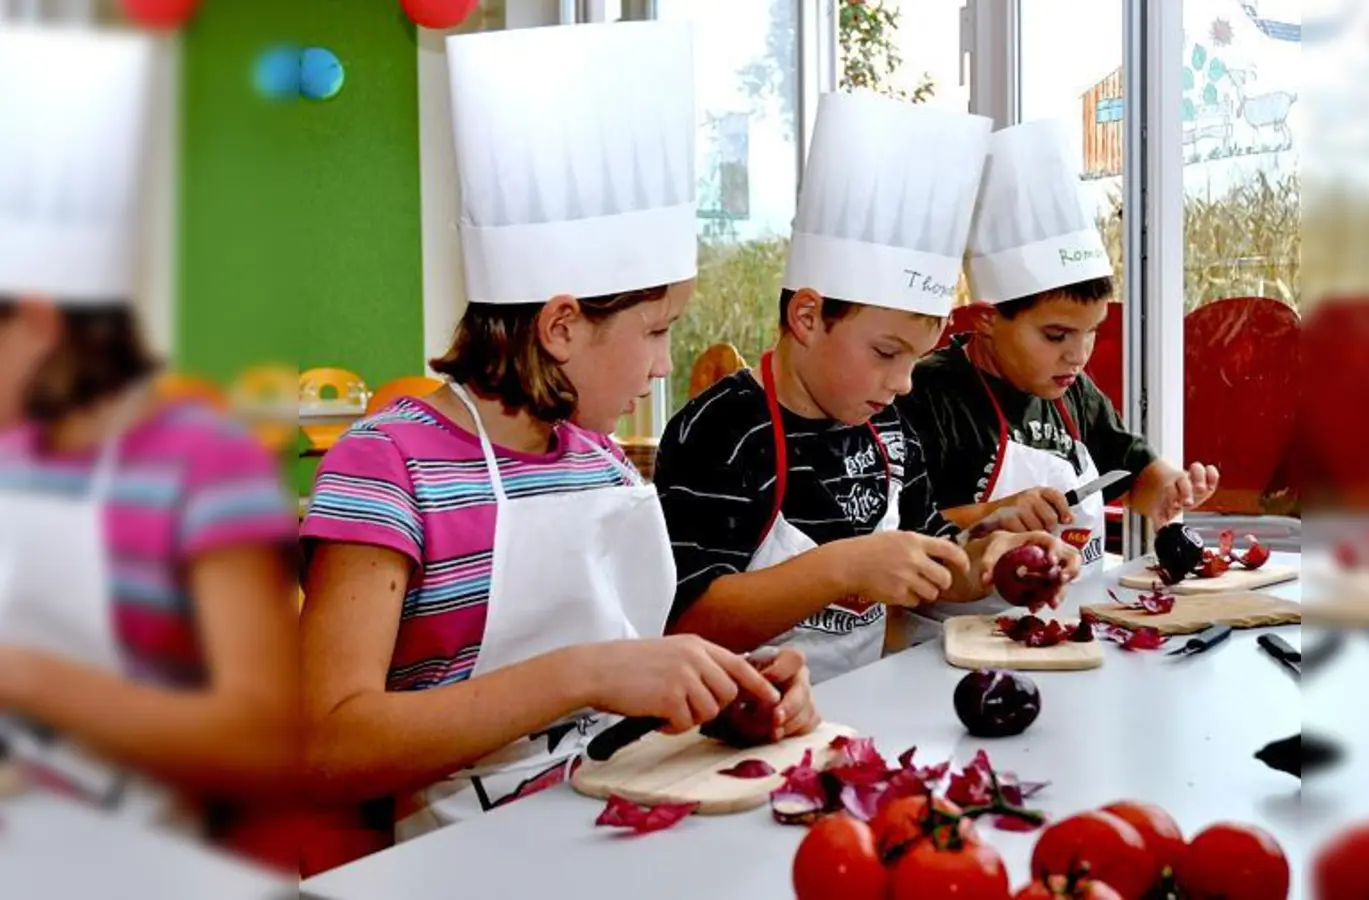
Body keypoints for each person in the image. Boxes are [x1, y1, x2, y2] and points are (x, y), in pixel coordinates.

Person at [298, 22, 817, 842]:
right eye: (655, 330)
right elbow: (329, 746)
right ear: (563, 326)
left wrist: (724, 690)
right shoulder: (387, 465)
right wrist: (585, 674)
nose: (662, 365)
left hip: (617, 819)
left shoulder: (602, 465)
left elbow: (632, 668)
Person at [655, 93, 1078, 682]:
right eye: (885, 353)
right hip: (729, 736)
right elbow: (687, 623)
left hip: (855, 719)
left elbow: (932, 561)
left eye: (916, 359)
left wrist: (992, 560)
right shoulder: (723, 431)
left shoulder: (886, 429)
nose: (903, 384)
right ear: (807, 317)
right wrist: (842, 569)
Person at [0, 24, 298, 847]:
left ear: (34, 322)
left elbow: (260, 738)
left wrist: (23, 677)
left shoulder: (203, 464)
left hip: (131, 850)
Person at [896, 119, 1220, 637]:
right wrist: (1000, 512)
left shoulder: (1074, 393)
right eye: (1055, 335)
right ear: (984, 319)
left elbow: (1132, 472)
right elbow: (906, 531)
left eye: (1090, 333)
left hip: (1071, 625)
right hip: (949, 641)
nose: (1078, 355)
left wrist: (1168, 490)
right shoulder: (927, 394)